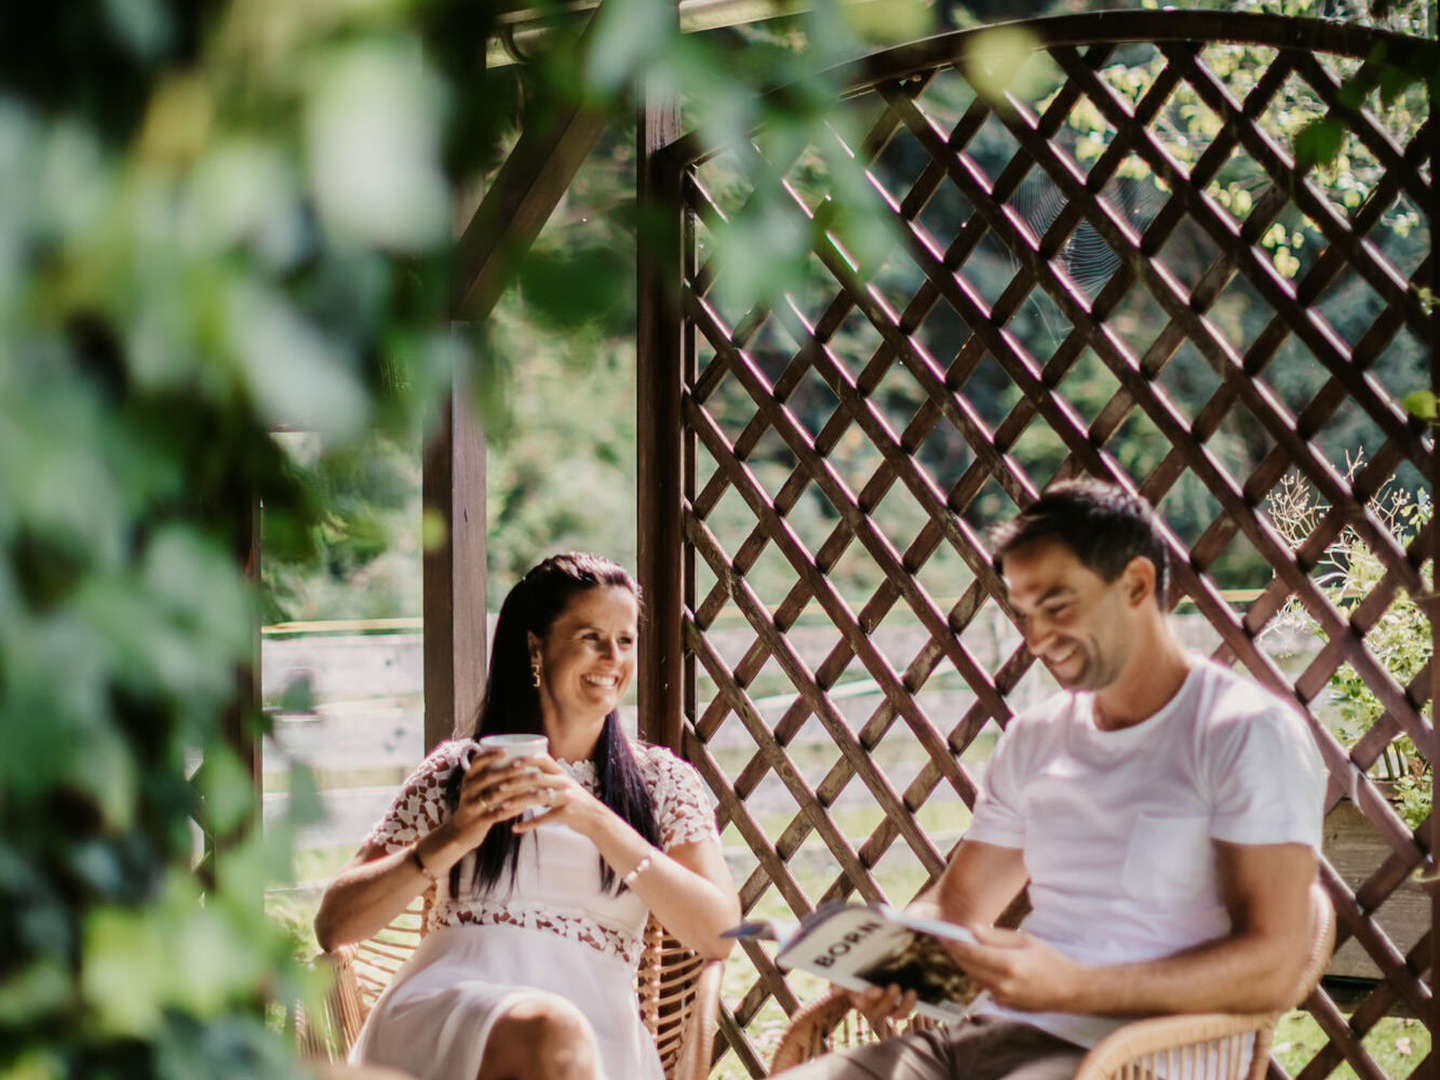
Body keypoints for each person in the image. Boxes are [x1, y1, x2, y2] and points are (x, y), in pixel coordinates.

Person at [776, 478, 1327, 1080]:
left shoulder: (1242, 732)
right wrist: (894, 963)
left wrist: (1078, 988)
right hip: (980, 1040)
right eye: (1025, 614)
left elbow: (1273, 964)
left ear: (1137, 584)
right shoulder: (1035, 737)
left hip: (1134, 1060)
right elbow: (959, 903)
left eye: (1058, 607)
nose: (1037, 640)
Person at [314, 553, 740, 1080]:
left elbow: (720, 935)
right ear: (535, 646)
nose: (613, 658)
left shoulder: (660, 783)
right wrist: (454, 836)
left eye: (625, 640)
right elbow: (334, 926)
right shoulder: (458, 772)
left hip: (600, 1034)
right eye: (590, 637)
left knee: (556, 1031)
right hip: (448, 1010)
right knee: (545, 1028)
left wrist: (594, 819)